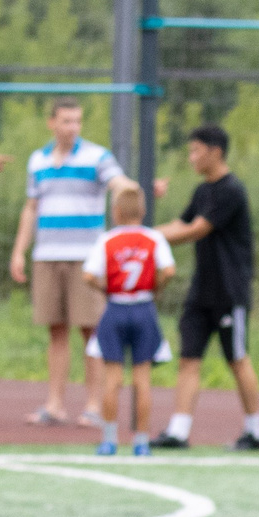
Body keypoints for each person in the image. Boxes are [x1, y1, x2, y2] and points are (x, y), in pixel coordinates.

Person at [10, 99, 125, 428]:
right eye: (66, 121)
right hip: (47, 255)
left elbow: (118, 183)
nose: (72, 127)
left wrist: (134, 189)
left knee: (92, 331)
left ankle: (93, 406)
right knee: (56, 332)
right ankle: (55, 405)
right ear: (52, 123)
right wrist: (19, 251)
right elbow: (31, 207)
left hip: (86, 259)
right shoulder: (38, 159)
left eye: (77, 121)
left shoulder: (97, 156)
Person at [157, 123, 259, 451]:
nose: (191, 158)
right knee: (189, 359)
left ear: (214, 152)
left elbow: (196, 230)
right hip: (201, 291)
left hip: (230, 293)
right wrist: (134, 234)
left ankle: (255, 432)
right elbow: (180, 222)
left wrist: (144, 240)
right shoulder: (202, 191)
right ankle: (178, 431)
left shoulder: (232, 190)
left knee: (237, 359)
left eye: (195, 151)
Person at [83, 182, 176, 457]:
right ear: (143, 210)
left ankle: (109, 440)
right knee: (142, 380)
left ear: (117, 210)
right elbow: (168, 271)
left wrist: (106, 288)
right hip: (144, 308)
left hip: (116, 308)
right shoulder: (154, 238)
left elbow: (88, 275)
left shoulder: (107, 240)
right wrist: (154, 287)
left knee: (112, 379)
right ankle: (141, 442)